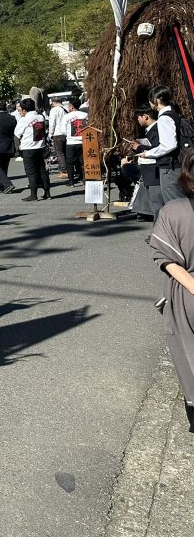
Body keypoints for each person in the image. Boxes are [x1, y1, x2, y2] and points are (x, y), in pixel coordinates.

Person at [148, 152, 194, 435]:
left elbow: (163, 257)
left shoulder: (174, 211)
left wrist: (190, 285)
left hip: (186, 296)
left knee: (189, 355)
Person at [131, 85, 184, 207]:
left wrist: (147, 153)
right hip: (176, 164)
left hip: (170, 167)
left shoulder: (164, 118)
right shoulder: (174, 114)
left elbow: (169, 145)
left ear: (156, 100)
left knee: (173, 205)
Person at [14, 98, 50, 201]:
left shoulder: (24, 119)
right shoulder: (41, 117)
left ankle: (33, 195)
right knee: (42, 170)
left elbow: (17, 135)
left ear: (24, 110)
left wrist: (18, 150)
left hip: (28, 148)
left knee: (31, 172)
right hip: (41, 147)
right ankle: (47, 193)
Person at [130, 107, 161, 220]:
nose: (138, 119)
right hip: (149, 169)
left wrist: (139, 147)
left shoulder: (157, 129)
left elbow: (158, 148)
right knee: (154, 201)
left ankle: (160, 227)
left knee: (157, 203)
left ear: (145, 117)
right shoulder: (150, 129)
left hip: (154, 169)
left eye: (139, 117)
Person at [62, 96, 88, 188]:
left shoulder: (66, 116)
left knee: (70, 162)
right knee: (83, 161)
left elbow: (63, 131)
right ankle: (85, 180)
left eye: (69, 105)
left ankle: (71, 182)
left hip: (71, 142)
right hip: (83, 141)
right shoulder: (85, 115)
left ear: (72, 106)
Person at [48, 97, 68, 179]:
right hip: (66, 133)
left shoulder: (54, 110)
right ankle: (69, 170)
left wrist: (50, 134)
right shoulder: (65, 109)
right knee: (65, 153)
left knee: (59, 153)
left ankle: (64, 171)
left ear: (53, 102)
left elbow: (52, 123)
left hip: (57, 133)